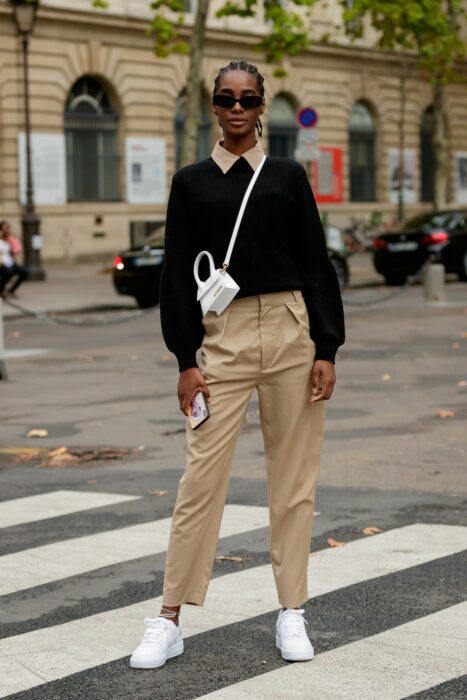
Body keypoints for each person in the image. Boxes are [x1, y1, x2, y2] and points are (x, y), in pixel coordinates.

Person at [130, 60, 345, 670]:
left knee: (293, 480)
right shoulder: (191, 182)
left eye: (248, 100)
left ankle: (292, 610)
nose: (237, 109)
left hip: (290, 331)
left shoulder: (286, 176)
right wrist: (184, 357)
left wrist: (326, 347)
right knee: (200, 481)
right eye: (225, 99)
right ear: (213, 105)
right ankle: (169, 616)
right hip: (220, 340)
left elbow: (314, 263)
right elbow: (176, 273)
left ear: (261, 106)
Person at [0, 221, 27, 297]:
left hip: (10, 262)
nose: (6, 230)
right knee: (8, 273)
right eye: (4, 228)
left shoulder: (9, 239)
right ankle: (1, 290)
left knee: (24, 272)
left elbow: (16, 250)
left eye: (8, 228)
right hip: (1, 263)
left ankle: (11, 291)